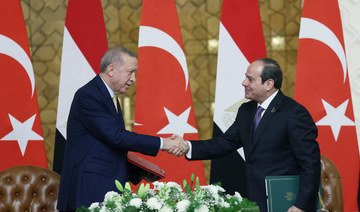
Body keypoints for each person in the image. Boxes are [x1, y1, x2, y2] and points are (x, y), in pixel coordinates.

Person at [171, 58, 321, 212]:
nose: (244, 83)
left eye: (250, 79)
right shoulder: (246, 110)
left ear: (269, 84)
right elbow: (225, 143)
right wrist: (187, 146)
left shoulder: (294, 113)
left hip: (285, 201)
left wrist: (301, 205)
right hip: (254, 200)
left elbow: (310, 164)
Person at [57, 46, 184, 211]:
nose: (133, 79)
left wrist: (139, 170)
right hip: (89, 190)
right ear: (111, 70)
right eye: (130, 72)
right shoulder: (89, 95)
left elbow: (109, 144)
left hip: (104, 187)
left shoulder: (108, 97)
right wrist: (163, 143)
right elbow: (117, 137)